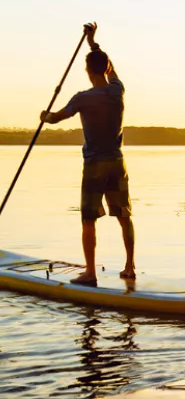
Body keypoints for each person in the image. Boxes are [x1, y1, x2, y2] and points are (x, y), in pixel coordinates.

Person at [41, 22, 135, 287]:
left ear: (87, 70)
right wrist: (93, 43)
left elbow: (57, 118)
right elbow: (112, 68)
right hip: (118, 162)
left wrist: (44, 117)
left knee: (88, 218)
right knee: (124, 215)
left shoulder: (83, 97)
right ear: (105, 68)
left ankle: (90, 273)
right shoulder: (117, 90)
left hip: (95, 164)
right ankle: (129, 267)